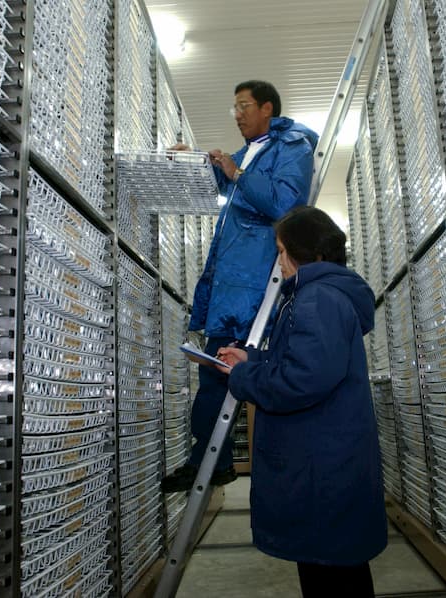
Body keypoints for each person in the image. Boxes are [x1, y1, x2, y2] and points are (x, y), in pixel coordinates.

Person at [215, 206, 388, 598]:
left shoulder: (317, 299)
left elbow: (302, 380)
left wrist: (243, 377)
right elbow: (307, 362)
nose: (279, 260)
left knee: (332, 577)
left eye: (281, 249)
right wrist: (252, 360)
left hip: (321, 469)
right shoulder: (322, 297)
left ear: (303, 251)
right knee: (334, 569)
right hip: (327, 461)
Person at [162, 81, 319, 492]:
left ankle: (210, 463)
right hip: (232, 277)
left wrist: (237, 172)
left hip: (254, 279)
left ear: (268, 107)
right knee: (216, 367)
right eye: (234, 106)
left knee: (222, 364)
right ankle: (212, 462)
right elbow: (233, 188)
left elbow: (287, 205)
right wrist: (199, 163)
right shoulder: (249, 154)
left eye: (244, 105)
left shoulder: (293, 144)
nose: (237, 113)